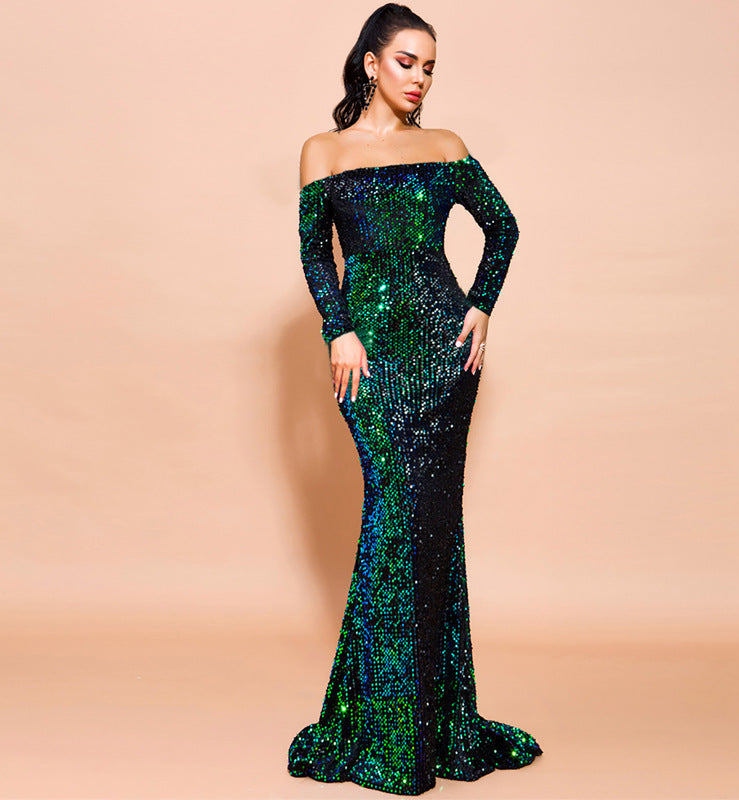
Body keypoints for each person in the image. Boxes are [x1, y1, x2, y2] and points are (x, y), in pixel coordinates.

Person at [288, 3, 543, 795]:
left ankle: (429, 725)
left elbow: (503, 228)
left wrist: (481, 306)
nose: (420, 78)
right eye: (407, 62)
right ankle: (383, 724)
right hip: (369, 358)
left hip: (444, 356)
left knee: (431, 531)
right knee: (394, 516)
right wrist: (339, 328)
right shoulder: (323, 151)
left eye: (430, 66)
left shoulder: (445, 147)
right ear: (371, 63)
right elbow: (315, 257)